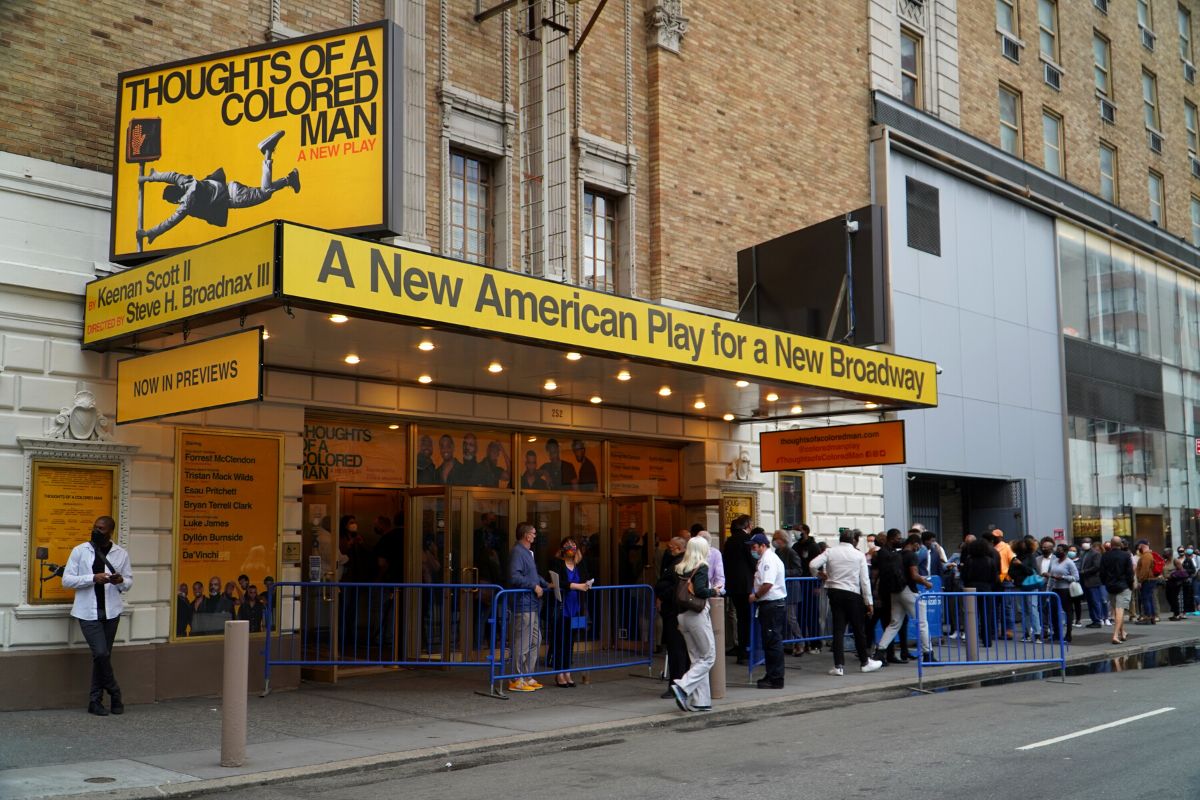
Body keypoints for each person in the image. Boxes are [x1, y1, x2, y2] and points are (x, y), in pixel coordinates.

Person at [135, 130, 300, 246]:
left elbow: (169, 222)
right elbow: (170, 176)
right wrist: (151, 177)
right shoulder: (187, 182)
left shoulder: (186, 204)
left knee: (265, 193)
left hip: (233, 198)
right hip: (231, 186)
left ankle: (267, 151)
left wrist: (152, 232)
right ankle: (289, 179)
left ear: (175, 200)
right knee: (265, 190)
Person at [61, 516, 132, 715]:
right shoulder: (80, 551)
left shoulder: (121, 554)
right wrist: (93, 578)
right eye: (95, 527)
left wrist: (119, 580)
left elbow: (129, 582)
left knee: (102, 657)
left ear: (110, 532)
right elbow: (67, 580)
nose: (96, 530)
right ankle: (115, 691)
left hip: (111, 612)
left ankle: (95, 701)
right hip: (87, 612)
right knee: (101, 653)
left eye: (101, 529)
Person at [810, 529, 882, 676]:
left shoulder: (830, 552)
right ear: (854, 541)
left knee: (838, 629)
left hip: (834, 592)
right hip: (852, 593)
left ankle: (838, 666)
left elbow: (812, 564)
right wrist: (869, 601)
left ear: (840, 539)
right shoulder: (859, 555)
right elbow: (864, 580)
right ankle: (865, 662)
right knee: (858, 629)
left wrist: (819, 575)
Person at [669, 536, 719, 712]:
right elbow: (701, 591)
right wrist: (715, 590)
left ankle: (701, 701)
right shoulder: (702, 567)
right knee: (708, 656)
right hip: (697, 615)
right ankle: (683, 686)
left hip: (683, 616)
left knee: (697, 658)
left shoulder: (680, 567)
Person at [876, 533, 935, 661]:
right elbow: (914, 575)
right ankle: (928, 654)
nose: (918, 548)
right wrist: (926, 583)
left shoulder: (897, 554)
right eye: (918, 545)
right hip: (909, 591)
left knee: (894, 624)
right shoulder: (911, 555)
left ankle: (880, 651)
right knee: (922, 622)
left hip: (895, 591)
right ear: (914, 543)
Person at [508, 522, 549, 692]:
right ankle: (517, 678)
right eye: (533, 533)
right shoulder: (518, 552)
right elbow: (514, 577)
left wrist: (545, 583)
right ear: (526, 535)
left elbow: (532, 574)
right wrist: (534, 586)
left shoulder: (527, 553)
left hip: (531, 604)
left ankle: (527, 675)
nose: (535, 535)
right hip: (523, 604)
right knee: (522, 642)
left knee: (535, 640)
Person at [548, 538, 591, 687]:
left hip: (576, 607)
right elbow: (561, 583)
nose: (571, 547)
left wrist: (580, 562)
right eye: (568, 545)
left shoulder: (578, 565)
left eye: (574, 544)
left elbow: (586, 578)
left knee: (570, 641)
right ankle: (559, 673)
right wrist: (577, 586)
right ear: (562, 549)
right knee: (560, 641)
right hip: (562, 607)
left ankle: (567, 672)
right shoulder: (558, 563)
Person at [748, 531, 787, 688]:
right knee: (770, 641)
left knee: (772, 642)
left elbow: (768, 583)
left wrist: (755, 596)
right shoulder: (766, 558)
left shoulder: (768, 560)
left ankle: (775, 678)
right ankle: (772, 674)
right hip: (771, 604)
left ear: (763, 546)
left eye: (755, 547)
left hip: (771, 604)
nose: (753, 550)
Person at [655, 537, 690, 693]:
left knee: (677, 650)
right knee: (681, 650)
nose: (668, 550)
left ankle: (677, 684)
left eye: (671, 547)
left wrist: (661, 594)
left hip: (674, 611)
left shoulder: (679, 564)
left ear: (679, 548)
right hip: (679, 611)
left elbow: (674, 587)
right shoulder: (681, 563)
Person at [722, 515, 754, 664]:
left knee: (741, 618)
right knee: (746, 619)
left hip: (733, 585)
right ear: (747, 524)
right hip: (745, 585)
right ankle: (745, 651)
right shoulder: (746, 540)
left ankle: (742, 650)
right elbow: (752, 561)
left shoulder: (729, 541)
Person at [960, 534, 1000, 647]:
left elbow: (964, 576)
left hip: (971, 589)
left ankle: (972, 639)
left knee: (971, 615)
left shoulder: (969, 561)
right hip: (986, 589)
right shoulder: (990, 561)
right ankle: (987, 640)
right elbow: (995, 577)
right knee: (986, 615)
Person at [772, 530, 804, 654]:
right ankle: (789, 644)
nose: (774, 541)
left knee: (791, 618)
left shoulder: (790, 552)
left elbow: (798, 570)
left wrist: (782, 572)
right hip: (783, 588)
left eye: (776, 539)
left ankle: (800, 641)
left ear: (782, 540)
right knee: (786, 618)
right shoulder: (778, 552)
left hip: (791, 589)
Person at [790, 524, 822, 649]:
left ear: (806, 532)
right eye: (795, 531)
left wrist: (817, 585)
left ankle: (815, 643)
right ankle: (804, 641)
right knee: (801, 614)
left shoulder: (813, 547)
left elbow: (818, 566)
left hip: (810, 583)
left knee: (812, 614)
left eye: (799, 531)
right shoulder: (795, 546)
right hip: (799, 584)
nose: (796, 533)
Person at [1100, 536, 1135, 644]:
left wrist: (1105, 583)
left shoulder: (1105, 555)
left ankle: (1123, 632)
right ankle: (1115, 635)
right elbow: (1129, 573)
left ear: (1111, 544)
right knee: (1120, 611)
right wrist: (1130, 585)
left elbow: (1102, 572)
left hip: (1110, 586)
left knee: (1116, 610)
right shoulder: (1126, 555)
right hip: (1123, 585)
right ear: (1121, 545)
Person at [1008, 539, 1042, 643]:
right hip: (1019, 586)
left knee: (1032, 608)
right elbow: (1011, 572)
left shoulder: (1031, 557)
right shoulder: (1015, 558)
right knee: (1023, 610)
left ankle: (1037, 634)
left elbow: (1032, 571)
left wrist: (1020, 565)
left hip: (1030, 586)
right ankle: (1026, 633)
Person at [1045, 544, 1078, 643]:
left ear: (1065, 552)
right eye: (1057, 550)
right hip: (1055, 590)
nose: (1057, 551)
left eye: (1060, 550)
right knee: (1053, 612)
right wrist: (1048, 591)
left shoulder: (1070, 563)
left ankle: (1068, 635)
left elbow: (1076, 577)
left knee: (1068, 612)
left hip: (1066, 590)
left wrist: (1063, 577)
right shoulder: (1054, 561)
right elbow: (1051, 576)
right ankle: (1056, 634)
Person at [1077, 537, 1104, 628]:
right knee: (1090, 601)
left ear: (1091, 544)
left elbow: (1096, 567)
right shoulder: (1083, 554)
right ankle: (1094, 620)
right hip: (1085, 581)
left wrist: (1084, 571)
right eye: (1083, 542)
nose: (1084, 543)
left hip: (1093, 581)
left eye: (1087, 542)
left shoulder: (1096, 554)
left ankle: (1097, 620)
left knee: (1095, 601)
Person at [1134, 539, 1159, 624]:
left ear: (1141, 546)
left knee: (1146, 598)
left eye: (1138, 546)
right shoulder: (1148, 555)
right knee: (1149, 598)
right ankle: (1151, 617)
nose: (1138, 549)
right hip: (1149, 579)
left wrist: (1140, 581)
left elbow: (1144, 570)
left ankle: (1148, 617)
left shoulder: (1146, 556)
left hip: (1147, 580)